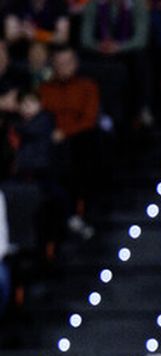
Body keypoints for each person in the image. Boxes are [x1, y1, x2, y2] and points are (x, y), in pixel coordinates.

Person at [36, 45, 96, 236]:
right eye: (59, 63)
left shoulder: (87, 86)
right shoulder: (44, 89)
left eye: (67, 63)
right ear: (53, 65)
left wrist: (65, 132)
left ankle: (77, 210)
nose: (64, 67)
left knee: (80, 148)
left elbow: (89, 120)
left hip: (79, 140)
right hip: (50, 140)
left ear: (76, 63)